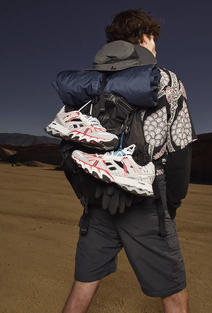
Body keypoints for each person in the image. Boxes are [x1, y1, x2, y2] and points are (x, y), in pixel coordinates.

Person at [56, 9, 198, 313]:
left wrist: (88, 194)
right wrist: (170, 205)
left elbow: (70, 144)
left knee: (82, 285)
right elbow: (181, 151)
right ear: (144, 37)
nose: (156, 50)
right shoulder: (167, 81)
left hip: (96, 198)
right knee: (173, 293)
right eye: (154, 43)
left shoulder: (90, 85)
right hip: (147, 202)